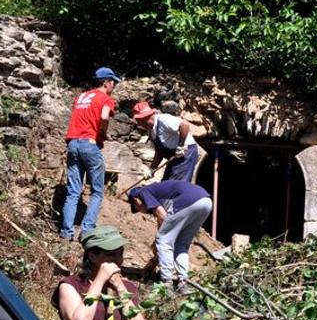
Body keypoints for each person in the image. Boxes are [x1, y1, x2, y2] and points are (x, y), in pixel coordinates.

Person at [60, 67, 120, 240]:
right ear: (106, 82)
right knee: (97, 192)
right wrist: (103, 133)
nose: (114, 85)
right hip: (89, 144)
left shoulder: (81, 96)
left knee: (73, 191)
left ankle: (66, 233)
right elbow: (104, 116)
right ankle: (87, 231)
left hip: (72, 143)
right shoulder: (106, 98)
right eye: (113, 82)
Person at [127, 179, 213, 292]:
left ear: (136, 201)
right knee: (181, 243)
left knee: (163, 241)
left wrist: (159, 242)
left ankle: (166, 282)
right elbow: (163, 221)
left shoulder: (144, 192)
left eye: (137, 209)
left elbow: (162, 215)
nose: (142, 211)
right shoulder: (156, 192)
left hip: (188, 202)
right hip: (206, 201)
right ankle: (183, 282)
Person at [133, 99, 203, 183]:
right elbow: (159, 152)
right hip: (173, 156)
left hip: (185, 153)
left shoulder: (164, 119)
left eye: (139, 121)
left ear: (145, 118)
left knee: (175, 183)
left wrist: (181, 146)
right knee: (165, 183)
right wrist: (152, 169)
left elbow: (184, 125)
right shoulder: (151, 130)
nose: (139, 124)